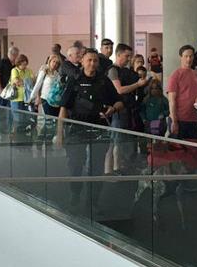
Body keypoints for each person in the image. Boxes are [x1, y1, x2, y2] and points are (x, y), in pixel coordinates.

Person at [56, 49, 123, 210]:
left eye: (95, 61)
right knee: (75, 165)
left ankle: (92, 201)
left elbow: (119, 102)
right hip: (76, 130)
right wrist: (59, 133)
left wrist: (112, 109)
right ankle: (75, 193)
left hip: (99, 131)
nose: (92, 64)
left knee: (97, 168)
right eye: (89, 60)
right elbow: (63, 108)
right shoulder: (74, 80)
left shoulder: (104, 81)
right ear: (82, 61)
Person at [106, 43, 148, 173]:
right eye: (127, 56)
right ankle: (113, 169)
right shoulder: (113, 70)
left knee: (120, 140)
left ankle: (117, 167)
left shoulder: (126, 71)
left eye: (130, 56)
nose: (129, 59)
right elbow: (120, 90)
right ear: (118, 55)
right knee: (115, 141)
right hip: (118, 110)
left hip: (127, 109)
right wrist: (137, 84)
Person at [166, 45, 197, 139]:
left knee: (191, 149)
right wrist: (174, 121)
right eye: (186, 56)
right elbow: (171, 100)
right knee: (177, 150)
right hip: (179, 119)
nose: (188, 59)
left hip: (193, 119)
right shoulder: (175, 75)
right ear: (181, 57)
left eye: (191, 56)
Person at [30, 54, 63, 118]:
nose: (55, 64)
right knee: (48, 119)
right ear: (50, 61)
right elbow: (38, 84)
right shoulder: (44, 70)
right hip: (45, 98)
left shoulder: (57, 74)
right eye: (54, 61)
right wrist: (32, 97)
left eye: (57, 63)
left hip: (54, 100)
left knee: (54, 120)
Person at [9, 54, 34, 134]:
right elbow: (17, 81)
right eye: (23, 64)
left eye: (26, 64)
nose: (24, 66)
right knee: (17, 118)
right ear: (19, 63)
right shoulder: (14, 70)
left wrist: (24, 82)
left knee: (27, 118)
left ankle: (24, 135)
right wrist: (27, 82)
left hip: (27, 98)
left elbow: (33, 81)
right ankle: (17, 136)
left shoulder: (28, 70)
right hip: (17, 98)